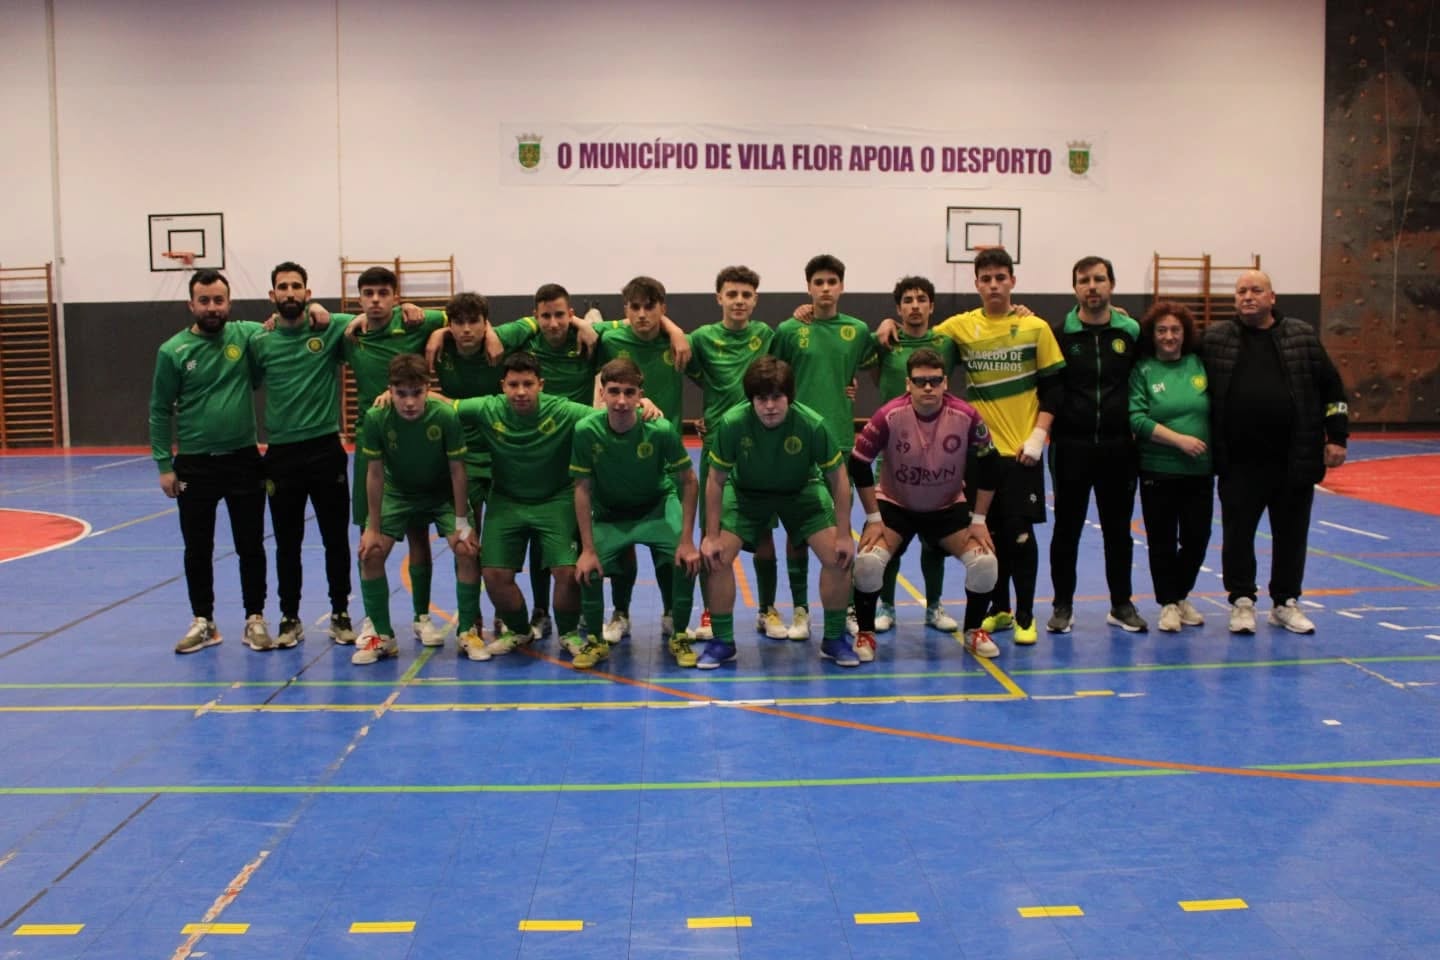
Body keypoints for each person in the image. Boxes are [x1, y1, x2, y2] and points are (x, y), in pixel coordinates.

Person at [878, 248, 1064, 646]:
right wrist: (884, 324)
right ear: (976, 284)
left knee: (1020, 536)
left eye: (1001, 277)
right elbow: (920, 333)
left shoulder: (1036, 328)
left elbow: (1054, 388)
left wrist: (1038, 436)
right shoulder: (959, 327)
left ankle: (1026, 615)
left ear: (1012, 280)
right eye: (986, 279)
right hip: (976, 453)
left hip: (1021, 451)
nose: (994, 285)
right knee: (983, 535)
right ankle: (998, 610)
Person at [454, 352, 660, 657]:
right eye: (513, 384)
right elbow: (442, 405)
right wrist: (391, 396)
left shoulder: (562, 410)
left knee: (567, 572)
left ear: (541, 385)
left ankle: (567, 633)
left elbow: (608, 412)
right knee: (495, 576)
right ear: (503, 386)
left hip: (555, 499)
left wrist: (643, 403)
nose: (521, 391)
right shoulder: (487, 407)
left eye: (528, 384)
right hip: (507, 501)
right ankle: (520, 630)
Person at [1202, 270, 1349, 634]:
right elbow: (1164, 343)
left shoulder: (1302, 337)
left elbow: (1334, 390)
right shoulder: (1215, 339)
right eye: (1241, 291)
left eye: (1256, 290)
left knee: (1291, 535)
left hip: (1293, 460)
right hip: (1238, 462)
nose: (1247, 296)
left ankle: (1285, 602)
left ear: (1272, 297)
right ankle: (1241, 601)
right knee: (1238, 535)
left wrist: (1337, 438)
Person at [699, 355, 856, 668]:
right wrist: (711, 536)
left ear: (789, 397)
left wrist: (844, 534)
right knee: (715, 558)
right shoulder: (733, 423)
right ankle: (723, 641)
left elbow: (839, 479)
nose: (770, 406)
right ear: (751, 400)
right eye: (761, 398)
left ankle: (834, 638)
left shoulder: (812, 424)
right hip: (746, 494)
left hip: (802, 490)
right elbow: (715, 481)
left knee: (838, 557)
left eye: (777, 397)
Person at [849, 349, 1001, 661]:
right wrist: (874, 518)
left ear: (945, 382)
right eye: (921, 382)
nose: (928, 387)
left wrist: (980, 520)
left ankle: (973, 631)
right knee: (867, 562)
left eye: (935, 381)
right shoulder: (889, 415)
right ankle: (865, 632)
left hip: (946, 507)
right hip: (895, 505)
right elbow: (859, 464)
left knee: (986, 563)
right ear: (909, 384)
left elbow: (991, 464)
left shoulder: (967, 416)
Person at [149, 269, 271, 653]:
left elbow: (283, 323)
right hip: (195, 465)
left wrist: (316, 310)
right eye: (204, 300)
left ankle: (255, 618)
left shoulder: (248, 334)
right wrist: (163, 465)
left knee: (250, 544)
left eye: (219, 300)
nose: (212, 307)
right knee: (197, 548)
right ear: (192, 304)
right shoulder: (173, 351)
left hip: (243, 460)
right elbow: (158, 411)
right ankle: (204, 621)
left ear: (229, 303)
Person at [338, 267, 450, 646]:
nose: (375, 300)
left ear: (396, 296)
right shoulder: (349, 331)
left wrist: (434, 329)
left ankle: (421, 616)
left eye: (383, 293)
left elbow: (456, 319)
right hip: (373, 445)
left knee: (419, 536)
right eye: (367, 294)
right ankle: (375, 622)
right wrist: (348, 319)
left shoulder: (414, 320)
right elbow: (311, 320)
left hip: (414, 442)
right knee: (369, 538)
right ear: (359, 299)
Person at [247, 261, 356, 649]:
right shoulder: (260, 342)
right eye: (283, 287)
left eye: (297, 287)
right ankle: (289, 617)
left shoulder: (327, 328)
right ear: (272, 295)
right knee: (287, 542)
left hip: (326, 449)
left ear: (307, 294)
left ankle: (341, 613)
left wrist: (321, 311)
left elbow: (367, 319)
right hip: (281, 455)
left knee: (335, 538)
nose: (290, 293)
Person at [769, 254, 877, 641]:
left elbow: (874, 362)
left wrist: (852, 386)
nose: (826, 288)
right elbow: (771, 378)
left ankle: (845, 606)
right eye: (819, 282)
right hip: (794, 445)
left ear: (842, 287)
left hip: (839, 441)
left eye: (833, 281)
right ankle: (801, 610)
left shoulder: (858, 330)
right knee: (798, 532)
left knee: (840, 530)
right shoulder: (788, 329)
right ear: (809, 287)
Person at [352, 354, 481, 664]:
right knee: (370, 552)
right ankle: (382, 636)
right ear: (390, 390)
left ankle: (467, 632)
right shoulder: (376, 418)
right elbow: (374, 473)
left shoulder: (445, 416)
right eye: (401, 394)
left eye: (416, 393)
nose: (409, 402)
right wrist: (371, 527)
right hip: (398, 493)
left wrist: (462, 520)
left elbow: (457, 470)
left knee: (466, 548)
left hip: (441, 494)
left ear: (428, 388)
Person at [572, 359, 701, 667]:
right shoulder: (586, 430)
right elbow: (581, 488)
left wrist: (686, 540)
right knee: (586, 569)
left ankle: (679, 634)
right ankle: (595, 641)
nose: (620, 401)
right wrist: (587, 548)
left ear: (640, 395)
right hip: (610, 512)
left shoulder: (660, 428)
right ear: (601, 393)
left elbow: (689, 480)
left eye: (629, 393)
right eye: (613, 392)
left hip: (656, 506)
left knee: (685, 562)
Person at [682, 265, 786, 643]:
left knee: (764, 538)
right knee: (712, 534)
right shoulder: (702, 338)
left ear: (755, 299)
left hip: (759, 449)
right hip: (717, 447)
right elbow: (691, 368)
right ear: (719, 298)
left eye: (746, 294)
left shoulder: (767, 336)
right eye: (732, 294)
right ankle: (711, 615)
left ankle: (767, 609)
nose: (739, 301)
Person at [1046, 256, 1147, 634]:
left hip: (1119, 448)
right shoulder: (1060, 334)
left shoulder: (1131, 332)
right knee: (1066, 529)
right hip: (1070, 447)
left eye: (1099, 279)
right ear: (1075, 288)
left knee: (1118, 530)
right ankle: (1062, 605)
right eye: (1084, 280)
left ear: (1112, 284)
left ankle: (1121, 604)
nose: (1092, 286)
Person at [865, 276, 965, 635]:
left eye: (922, 299)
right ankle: (887, 606)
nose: (914, 306)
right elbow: (861, 368)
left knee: (934, 538)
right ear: (898, 308)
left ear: (932, 305)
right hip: (893, 452)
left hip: (939, 453)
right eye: (907, 300)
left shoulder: (947, 342)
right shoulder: (884, 341)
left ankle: (934, 606)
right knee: (889, 536)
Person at [591, 277, 688, 644]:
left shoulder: (679, 344)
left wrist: (675, 331)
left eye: (651, 307)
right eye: (635, 307)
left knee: (670, 549)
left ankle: (670, 612)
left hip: (665, 462)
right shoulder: (611, 339)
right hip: (618, 458)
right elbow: (581, 325)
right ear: (625, 310)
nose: (643, 314)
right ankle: (620, 612)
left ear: (663, 308)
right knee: (620, 546)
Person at [1128, 301, 1213, 632]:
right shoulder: (1144, 370)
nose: (1169, 336)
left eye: (1175, 330)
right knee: (1162, 540)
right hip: (1158, 469)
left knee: (1197, 538)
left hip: (1200, 471)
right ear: (1153, 334)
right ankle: (1168, 604)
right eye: (1162, 330)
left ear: (1185, 333)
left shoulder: (1198, 364)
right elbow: (1136, 418)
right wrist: (1179, 441)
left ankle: (1179, 596)